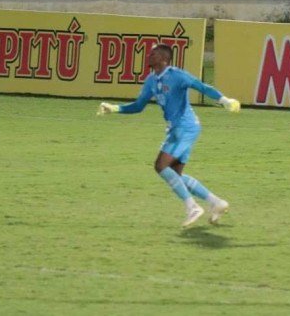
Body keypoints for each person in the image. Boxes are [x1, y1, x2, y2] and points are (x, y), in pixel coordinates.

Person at [97, 44, 240, 227]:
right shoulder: (151, 80)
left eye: (153, 54)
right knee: (175, 173)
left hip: (185, 127)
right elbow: (139, 105)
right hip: (177, 129)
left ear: (164, 58)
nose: (149, 56)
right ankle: (216, 202)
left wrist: (224, 100)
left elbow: (201, 86)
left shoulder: (177, 75)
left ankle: (192, 207)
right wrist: (115, 108)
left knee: (161, 165)